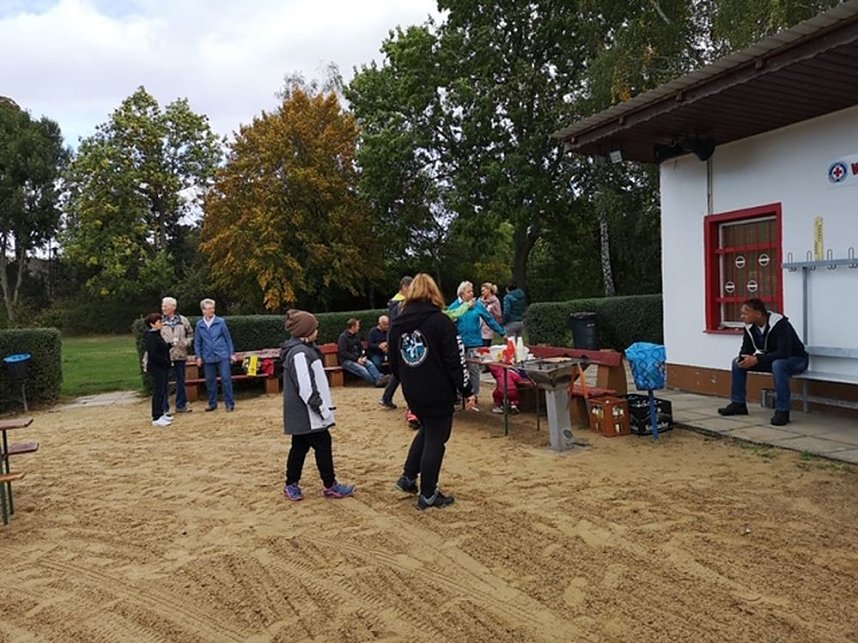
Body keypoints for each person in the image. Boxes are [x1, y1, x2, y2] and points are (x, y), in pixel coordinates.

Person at [388, 273, 475, 510]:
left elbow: (394, 363)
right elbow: (455, 360)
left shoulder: (397, 324)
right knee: (437, 439)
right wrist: (467, 389)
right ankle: (428, 493)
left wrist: (407, 378)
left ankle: (408, 478)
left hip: (413, 390)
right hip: (438, 390)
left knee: (427, 431)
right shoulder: (441, 322)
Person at [280, 309, 355, 501]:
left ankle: (291, 484)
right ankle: (330, 485)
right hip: (307, 413)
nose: (317, 330)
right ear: (306, 331)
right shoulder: (299, 353)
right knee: (322, 443)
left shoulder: (304, 350)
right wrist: (321, 408)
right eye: (314, 328)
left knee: (299, 446)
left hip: (305, 413)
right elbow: (306, 387)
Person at [717, 298, 808, 426]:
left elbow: (784, 353)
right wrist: (744, 358)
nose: (742, 316)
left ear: (758, 314)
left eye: (745, 313)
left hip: (796, 360)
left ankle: (783, 411)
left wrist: (757, 359)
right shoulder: (750, 327)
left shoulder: (780, 324)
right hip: (773, 361)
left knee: (778, 365)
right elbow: (747, 349)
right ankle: (738, 404)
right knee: (737, 363)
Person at [447, 281, 506, 412]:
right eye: (469, 291)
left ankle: (474, 395)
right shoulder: (454, 307)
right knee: (458, 369)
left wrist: (502, 332)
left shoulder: (477, 305)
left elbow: (489, 319)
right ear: (462, 293)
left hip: (474, 342)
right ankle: (458, 394)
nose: (472, 294)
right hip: (460, 343)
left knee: (474, 370)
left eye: (472, 291)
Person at [194, 298, 237, 412]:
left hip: (222, 355)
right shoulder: (199, 324)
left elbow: (228, 339)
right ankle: (212, 403)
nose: (211, 311)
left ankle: (229, 403)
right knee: (210, 381)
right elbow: (197, 342)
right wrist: (198, 356)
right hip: (207, 356)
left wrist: (231, 353)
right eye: (208, 309)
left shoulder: (221, 322)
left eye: (212, 308)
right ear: (203, 310)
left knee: (226, 379)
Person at [379, 276, 412, 410]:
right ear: (404, 287)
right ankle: (410, 401)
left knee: (398, 372)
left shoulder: (394, 302)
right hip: (400, 340)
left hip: (394, 339)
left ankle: (386, 397)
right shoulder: (400, 303)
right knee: (405, 370)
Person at [159, 296, 194, 414]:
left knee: (181, 380)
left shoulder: (183, 320)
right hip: (165, 356)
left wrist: (186, 342)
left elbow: (190, 333)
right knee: (163, 382)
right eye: (162, 305)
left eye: (165, 306)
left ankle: (181, 405)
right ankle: (164, 408)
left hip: (180, 354)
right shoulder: (159, 321)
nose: (163, 308)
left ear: (173, 307)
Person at [337, 318, 387, 386]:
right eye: (357, 326)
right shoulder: (343, 338)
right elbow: (343, 353)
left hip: (359, 358)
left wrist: (362, 356)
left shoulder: (356, 336)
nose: (359, 328)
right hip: (347, 361)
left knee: (370, 364)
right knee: (362, 370)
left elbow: (361, 348)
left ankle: (380, 379)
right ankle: (377, 382)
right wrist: (356, 359)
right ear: (352, 327)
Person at [143, 312, 172, 427]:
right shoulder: (151, 337)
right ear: (152, 324)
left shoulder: (157, 335)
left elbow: (162, 348)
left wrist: (170, 345)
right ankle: (156, 416)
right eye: (159, 322)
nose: (162, 323)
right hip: (157, 368)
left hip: (162, 367)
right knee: (158, 391)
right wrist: (165, 361)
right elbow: (154, 354)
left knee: (163, 390)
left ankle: (161, 413)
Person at [479, 282, 503, 347]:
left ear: (489, 290)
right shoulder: (479, 301)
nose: (482, 292)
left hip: (488, 328)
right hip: (479, 328)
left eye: (483, 291)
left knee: (486, 347)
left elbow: (498, 315)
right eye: (481, 291)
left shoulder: (495, 301)